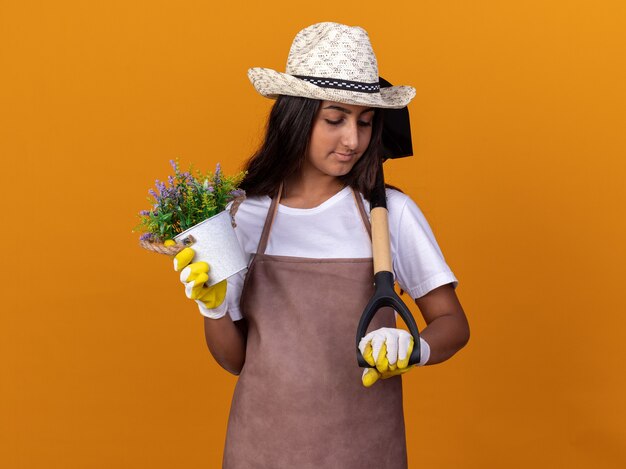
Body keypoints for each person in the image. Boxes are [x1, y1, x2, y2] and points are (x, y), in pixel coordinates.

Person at [172, 22, 469, 469]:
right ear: (296, 117)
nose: (353, 140)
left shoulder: (387, 214)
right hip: (260, 450)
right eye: (335, 120)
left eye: (365, 122)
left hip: (365, 451)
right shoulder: (240, 215)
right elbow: (235, 361)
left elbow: (453, 323)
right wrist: (213, 310)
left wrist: (414, 348)